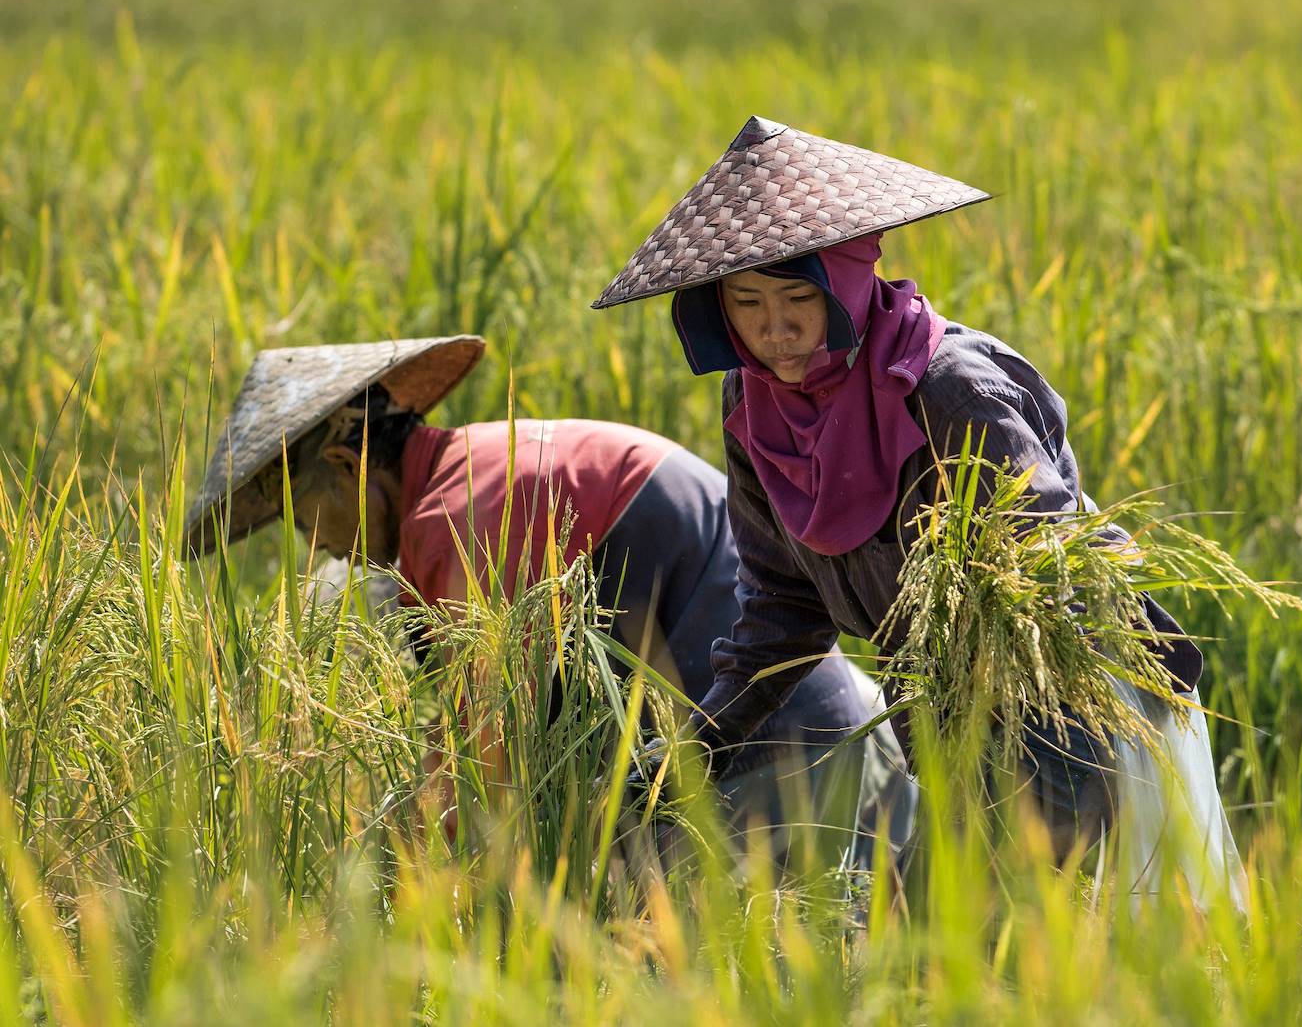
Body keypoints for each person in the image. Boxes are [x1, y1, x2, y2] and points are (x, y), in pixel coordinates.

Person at [591, 117, 1242, 887]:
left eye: (799, 297)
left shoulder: (950, 390)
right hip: (946, 724)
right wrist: (701, 748)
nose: (774, 331)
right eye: (746, 304)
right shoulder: (756, 408)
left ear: (848, 281)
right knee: (936, 942)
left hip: (1068, 709)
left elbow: (1047, 577)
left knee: (983, 944)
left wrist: (1003, 709)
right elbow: (781, 610)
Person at [184, 335, 914, 870]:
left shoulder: (459, 522)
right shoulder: (484, 467)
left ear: (347, 468)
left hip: (791, 779)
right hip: (841, 744)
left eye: (306, 519)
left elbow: (496, 773)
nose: (319, 548)